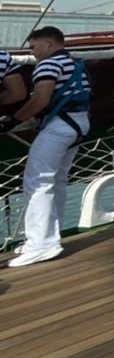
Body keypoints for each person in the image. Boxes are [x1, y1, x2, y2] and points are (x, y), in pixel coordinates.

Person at [2, 26, 91, 268]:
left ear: (49, 44)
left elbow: (40, 99)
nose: (33, 52)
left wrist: (13, 120)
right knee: (57, 180)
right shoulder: (75, 63)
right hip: (79, 124)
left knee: (37, 181)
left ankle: (39, 244)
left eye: (34, 47)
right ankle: (51, 237)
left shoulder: (48, 65)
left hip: (59, 127)